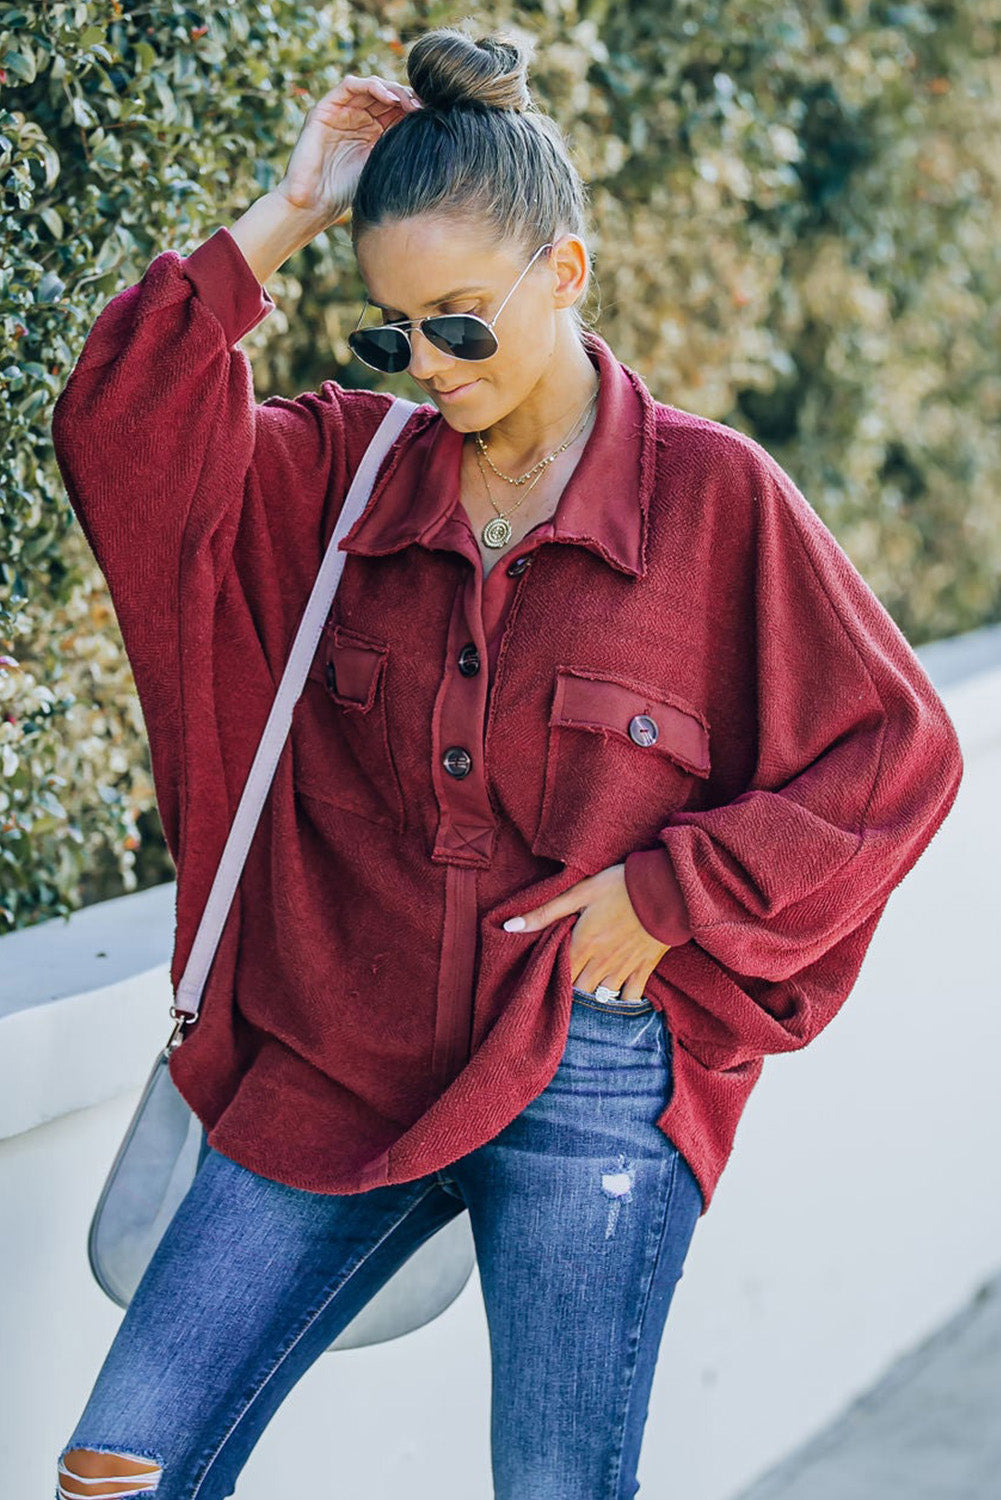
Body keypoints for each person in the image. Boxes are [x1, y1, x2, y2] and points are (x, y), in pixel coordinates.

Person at [50, 23, 963, 1500]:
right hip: (334, 1053)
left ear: (566, 272)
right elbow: (119, 432)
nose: (430, 367)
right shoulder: (340, 479)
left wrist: (669, 895)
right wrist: (288, 208)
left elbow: (893, 758)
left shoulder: (714, 502)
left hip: (592, 1067)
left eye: (463, 321)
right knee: (119, 1467)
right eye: (391, 331)